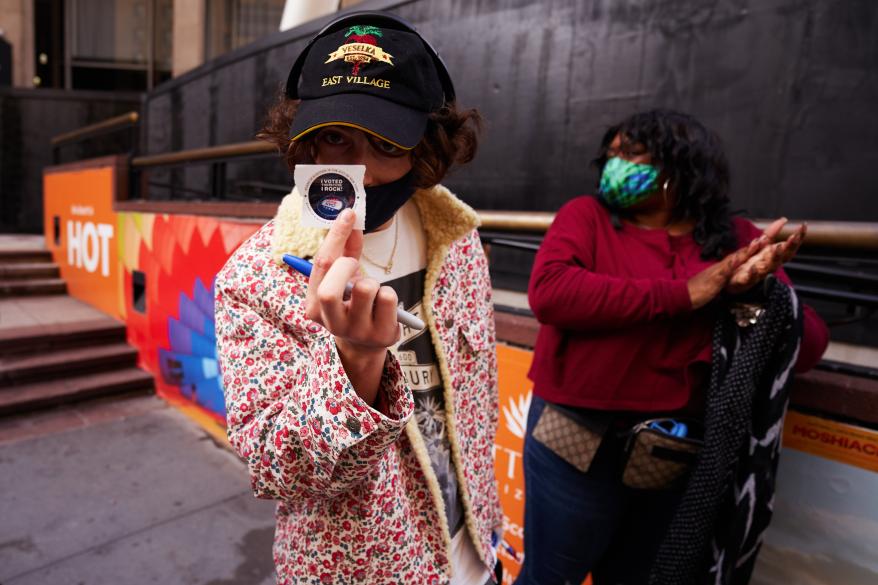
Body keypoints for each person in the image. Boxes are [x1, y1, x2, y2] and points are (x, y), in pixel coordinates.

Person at [214, 11, 503, 585]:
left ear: (426, 143)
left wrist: (489, 527)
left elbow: (475, 404)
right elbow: (274, 468)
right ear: (303, 141)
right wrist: (355, 361)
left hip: (476, 554)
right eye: (336, 139)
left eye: (386, 142)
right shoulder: (252, 277)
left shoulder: (458, 239)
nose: (364, 171)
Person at [514, 109, 829, 585]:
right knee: (548, 577)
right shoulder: (587, 217)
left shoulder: (735, 241)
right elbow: (552, 293)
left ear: (682, 165)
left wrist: (748, 295)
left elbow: (808, 347)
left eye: (631, 154)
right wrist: (687, 294)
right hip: (572, 443)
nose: (614, 165)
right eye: (611, 154)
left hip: (672, 458)